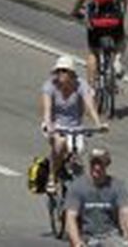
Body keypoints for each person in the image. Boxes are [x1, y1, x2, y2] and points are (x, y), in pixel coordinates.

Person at [41, 55, 105, 195]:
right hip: (55, 125)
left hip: (76, 128)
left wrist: (98, 123)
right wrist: (49, 126)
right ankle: (52, 177)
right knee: (59, 144)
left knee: (79, 151)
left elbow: (89, 106)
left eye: (64, 71)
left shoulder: (81, 85)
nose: (60, 74)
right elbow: (47, 110)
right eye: (58, 71)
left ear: (71, 73)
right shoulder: (49, 86)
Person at [64, 146, 128, 247]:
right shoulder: (77, 186)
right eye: (93, 163)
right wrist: (77, 243)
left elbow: (127, 211)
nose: (96, 167)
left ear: (107, 164)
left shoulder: (117, 185)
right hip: (86, 236)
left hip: (110, 236)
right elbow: (70, 217)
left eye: (100, 163)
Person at [71, 0, 127, 90]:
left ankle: (91, 90)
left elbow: (79, 1)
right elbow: (124, 4)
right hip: (114, 22)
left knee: (92, 52)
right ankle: (117, 62)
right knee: (121, 42)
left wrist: (75, 12)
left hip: (95, 23)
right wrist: (121, 19)